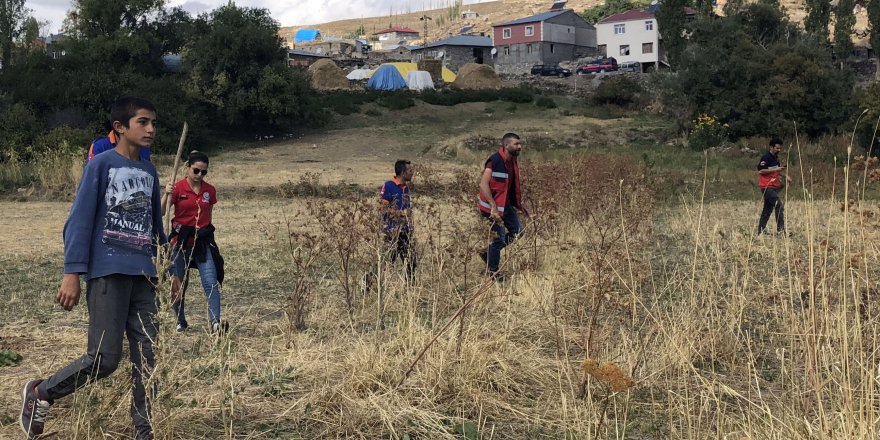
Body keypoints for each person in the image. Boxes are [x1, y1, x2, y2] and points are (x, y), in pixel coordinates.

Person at [20, 97, 165, 440]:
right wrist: (72, 272)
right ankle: (42, 393)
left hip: (144, 276)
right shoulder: (100, 165)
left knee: (149, 359)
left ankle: (145, 432)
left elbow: (155, 227)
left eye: (153, 123)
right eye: (143, 122)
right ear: (120, 128)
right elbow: (79, 221)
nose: (151, 130)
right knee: (104, 358)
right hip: (107, 271)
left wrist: (170, 270)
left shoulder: (150, 171)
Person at [162, 150, 225, 333]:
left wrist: (205, 231)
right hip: (180, 242)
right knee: (179, 283)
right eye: (196, 170)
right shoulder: (178, 188)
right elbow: (162, 212)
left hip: (202, 241)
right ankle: (180, 320)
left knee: (210, 280)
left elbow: (208, 214)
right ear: (188, 168)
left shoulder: (209, 190)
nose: (199, 175)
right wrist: (166, 194)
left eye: (204, 172)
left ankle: (215, 323)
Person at [478, 133, 528, 279]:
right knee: (498, 239)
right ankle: (493, 272)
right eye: (516, 144)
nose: (520, 147)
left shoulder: (512, 161)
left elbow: (509, 187)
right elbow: (483, 184)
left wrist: (519, 205)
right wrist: (493, 206)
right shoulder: (494, 161)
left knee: (518, 231)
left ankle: (487, 253)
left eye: (520, 144)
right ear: (506, 145)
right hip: (491, 208)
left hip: (505, 204)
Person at [380, 160, 416, 280]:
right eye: (410, 171)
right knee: (387, 261)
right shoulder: (389, 186)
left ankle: (410, 289)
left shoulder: (406, 189)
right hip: (393, 230)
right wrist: (400, 213)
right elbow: (383, 208)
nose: (412, 173)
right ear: (403, 172)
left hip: (405, 230)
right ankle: (370, 282)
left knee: (411, 261)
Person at [757, 138, 791, 235]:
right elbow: (761, 170)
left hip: (774, 186)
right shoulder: (765, 157)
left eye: (780, 148)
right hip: (766, 187)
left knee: (767, 209)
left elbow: (777, 170)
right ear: (771, 147)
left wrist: (786, 176)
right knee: (779, 206)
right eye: (777, 148)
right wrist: (775, 169)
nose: (778, 150)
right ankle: (781, 231)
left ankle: (761, 230)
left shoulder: (776, 158)